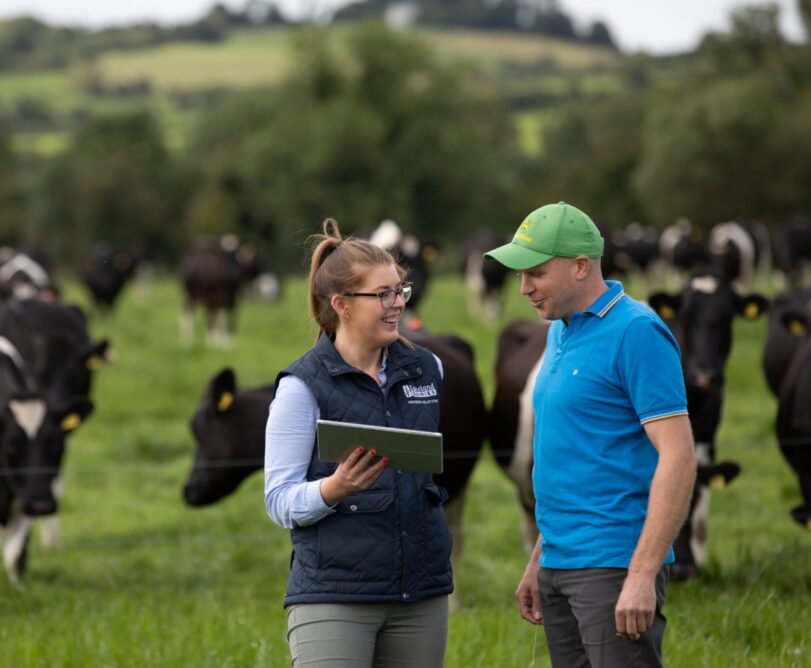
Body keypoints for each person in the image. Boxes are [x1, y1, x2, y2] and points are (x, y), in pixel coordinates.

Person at [485, 202, 697, 667]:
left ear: (581, 266)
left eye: (536, 273)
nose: (524, 288)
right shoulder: (560, 331)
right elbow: (569, 457)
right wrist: (541, 557)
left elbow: (679, 457)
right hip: (559, 563)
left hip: (613, 566)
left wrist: (641, 574)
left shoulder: (637, 332)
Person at [264, 218, 453, 667]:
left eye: (400, 292)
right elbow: (278, 499)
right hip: (334, 597)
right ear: (342, 305)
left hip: (421, 594)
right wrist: (335, 488)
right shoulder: (300, 388)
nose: (396, 305)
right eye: (382, 295)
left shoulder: (429, 371)